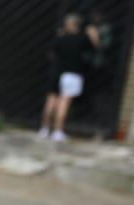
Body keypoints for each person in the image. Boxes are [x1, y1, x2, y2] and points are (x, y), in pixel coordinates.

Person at [39, 14, 98, 142]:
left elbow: (51, 55)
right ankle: (58, 132)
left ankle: (45, 129)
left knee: (51, 101)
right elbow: (95, 48)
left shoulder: (59, 39)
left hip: (56, 73)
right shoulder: (82, 39)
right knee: (63, 103)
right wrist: (92, 33)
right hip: (72, 74)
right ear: (77, 26)